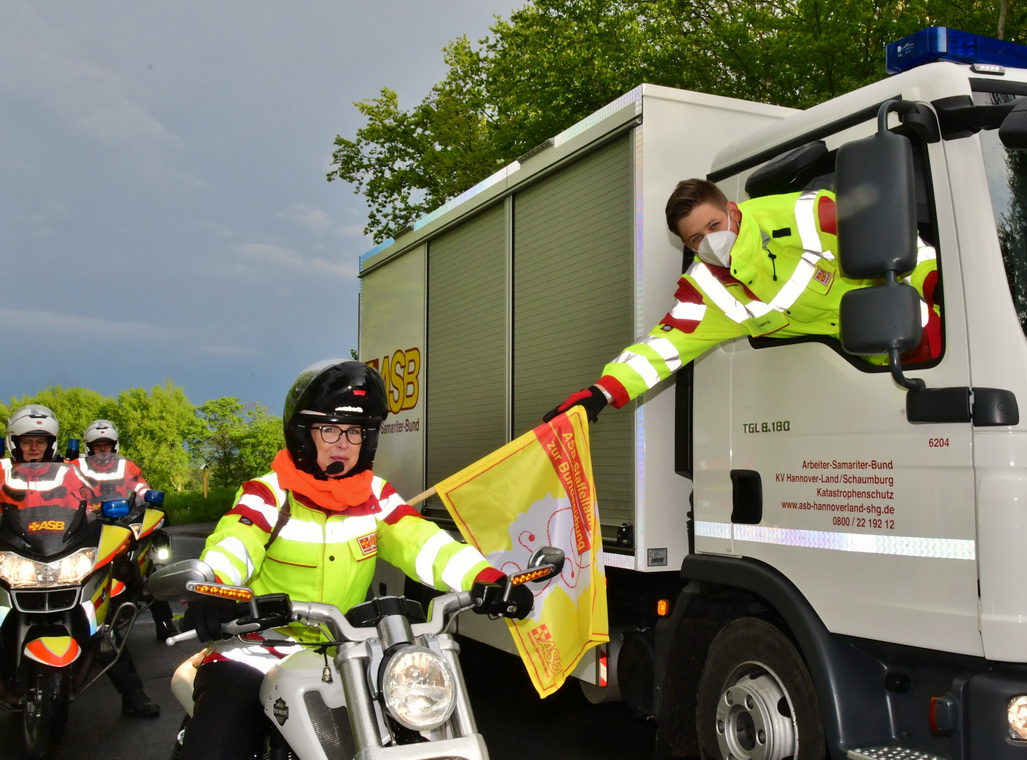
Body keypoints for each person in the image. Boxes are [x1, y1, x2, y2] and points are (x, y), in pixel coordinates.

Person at [177, 360, 531, 760]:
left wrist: (484, 577)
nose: (343, 442)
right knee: (219, 742)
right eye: (329, 429)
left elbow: (424, 543)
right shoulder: (269, 494)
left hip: (350, 651)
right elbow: (235, 542)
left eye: (355, 431)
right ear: (301, 433)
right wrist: (215, 584)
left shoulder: (375, 496)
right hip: (260, 646)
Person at [545, 178, 940, 422]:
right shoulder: (707, 289)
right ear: (686, 245)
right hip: (874, 375)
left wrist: (941, 286)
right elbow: (664, 347)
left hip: (935, 334)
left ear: (732, 211)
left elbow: (900, 244)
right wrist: (602, 392)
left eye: (714, 225)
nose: (710, 242)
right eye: (697, 239)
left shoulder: (806, 215)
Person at [1, 405, 161, 718]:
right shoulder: (2, 470)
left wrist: (107, 514)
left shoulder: (68, 472)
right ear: (14, 442)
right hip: (14, 556)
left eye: (41, 441)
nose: (35, 447)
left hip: (60, 553)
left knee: (101, 625)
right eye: (28, 441)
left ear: (52, 444)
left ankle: (134, 698)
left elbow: (89, 503)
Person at [74, 419, 180, 641]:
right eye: (97, 445)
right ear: (89, 447)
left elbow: (140, 485)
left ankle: (164, 623)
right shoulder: (75, 467)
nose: (102, 449)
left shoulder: (126, 466)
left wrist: (148, 494)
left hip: (123, 523)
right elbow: (66, 493)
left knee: (150, 570)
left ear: (114, 446)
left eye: (107, 445)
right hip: (89, 526)